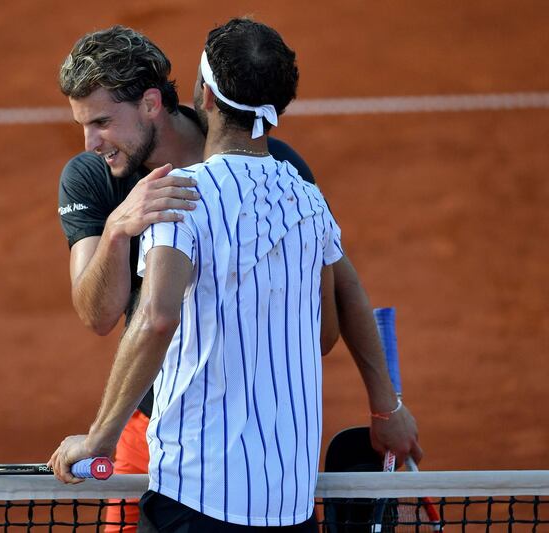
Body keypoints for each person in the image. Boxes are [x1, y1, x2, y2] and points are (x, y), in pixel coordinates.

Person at [50, 18, 418, 531]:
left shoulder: (258, 171)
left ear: (153, 104)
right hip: (151, 416)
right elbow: (99, 314)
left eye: (103, 122)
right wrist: (117, 228)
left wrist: (385, 406)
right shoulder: (93, 176)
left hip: (236, 443)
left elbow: (340, 288)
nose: (90, 141)